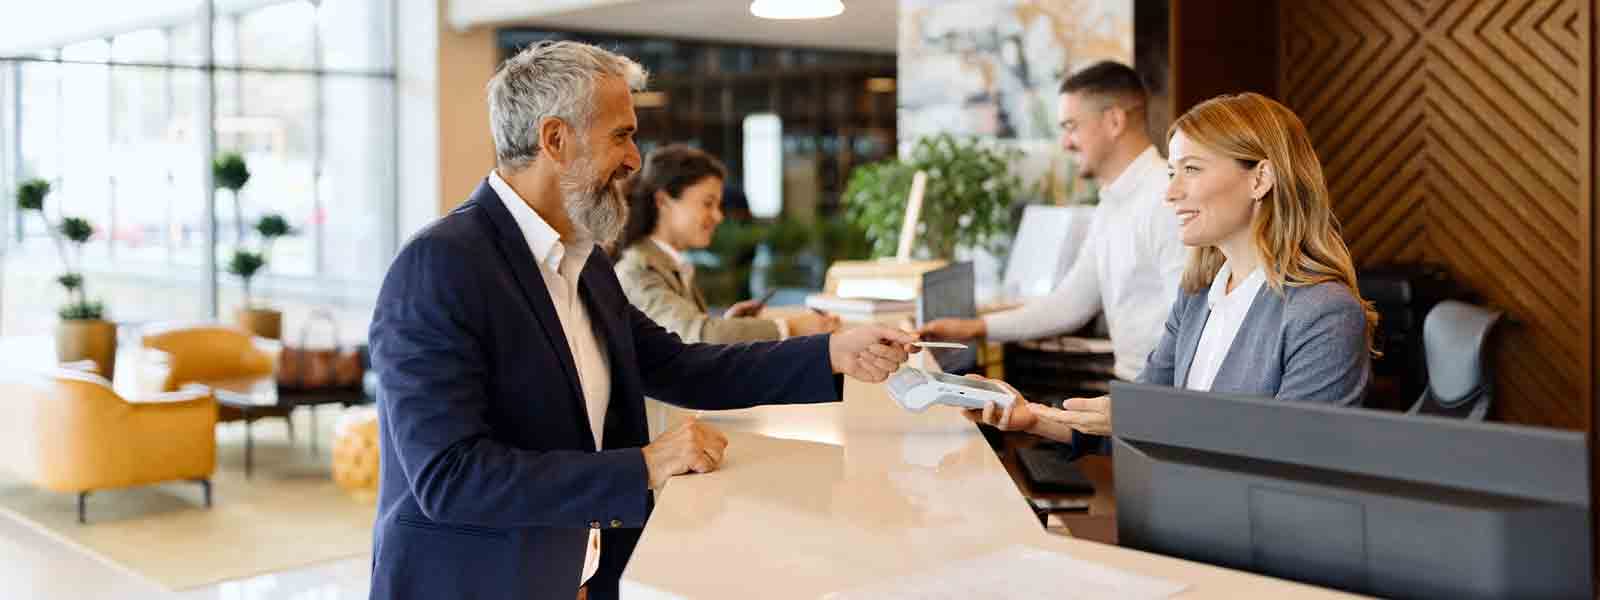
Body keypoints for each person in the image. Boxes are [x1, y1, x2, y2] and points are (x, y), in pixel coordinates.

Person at [367, 41, 918, 600]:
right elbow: (450, 477)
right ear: (555, 140)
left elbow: (680, 365)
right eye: (621, 135)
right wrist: (645, 466)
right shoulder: (440, 265)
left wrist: (832, 352)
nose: (634, 159)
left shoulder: (584, 260)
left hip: (577, 575)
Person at [966, 92, 1377, 451]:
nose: (1171, 192)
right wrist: (1032, 417)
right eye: (1171, 172)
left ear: (1261, 179)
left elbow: (1293, 454)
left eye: (1192, 169)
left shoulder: (1324, 313)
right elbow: (1135, 415)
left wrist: (1144, 420)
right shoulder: (1198, 296)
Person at [918, 61, 1184, 384]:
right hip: (1130, 393)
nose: (1065, 143)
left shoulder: (1166, 198)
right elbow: (1070, 304)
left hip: (1154, 399)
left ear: (1114, 121)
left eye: (1071, 126)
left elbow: (1185, 327)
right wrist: (978, 328)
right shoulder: (1112, 203)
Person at [613, 144, 839, 343]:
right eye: (707, 203)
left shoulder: (669, 263)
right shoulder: (637, 271)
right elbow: (698, 335)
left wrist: (730, 324)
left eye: (718, 205)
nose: (718, 216)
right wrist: (790, 327)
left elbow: (683, 335)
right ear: (663, 201)